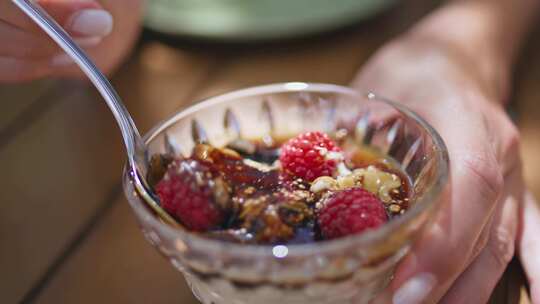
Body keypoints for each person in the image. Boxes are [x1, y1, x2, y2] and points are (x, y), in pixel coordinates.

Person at [1, 0, 539, 303]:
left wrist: (470, 42)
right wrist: (77, 22)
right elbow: (98, 34)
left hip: (397, 27)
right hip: (163, 59)